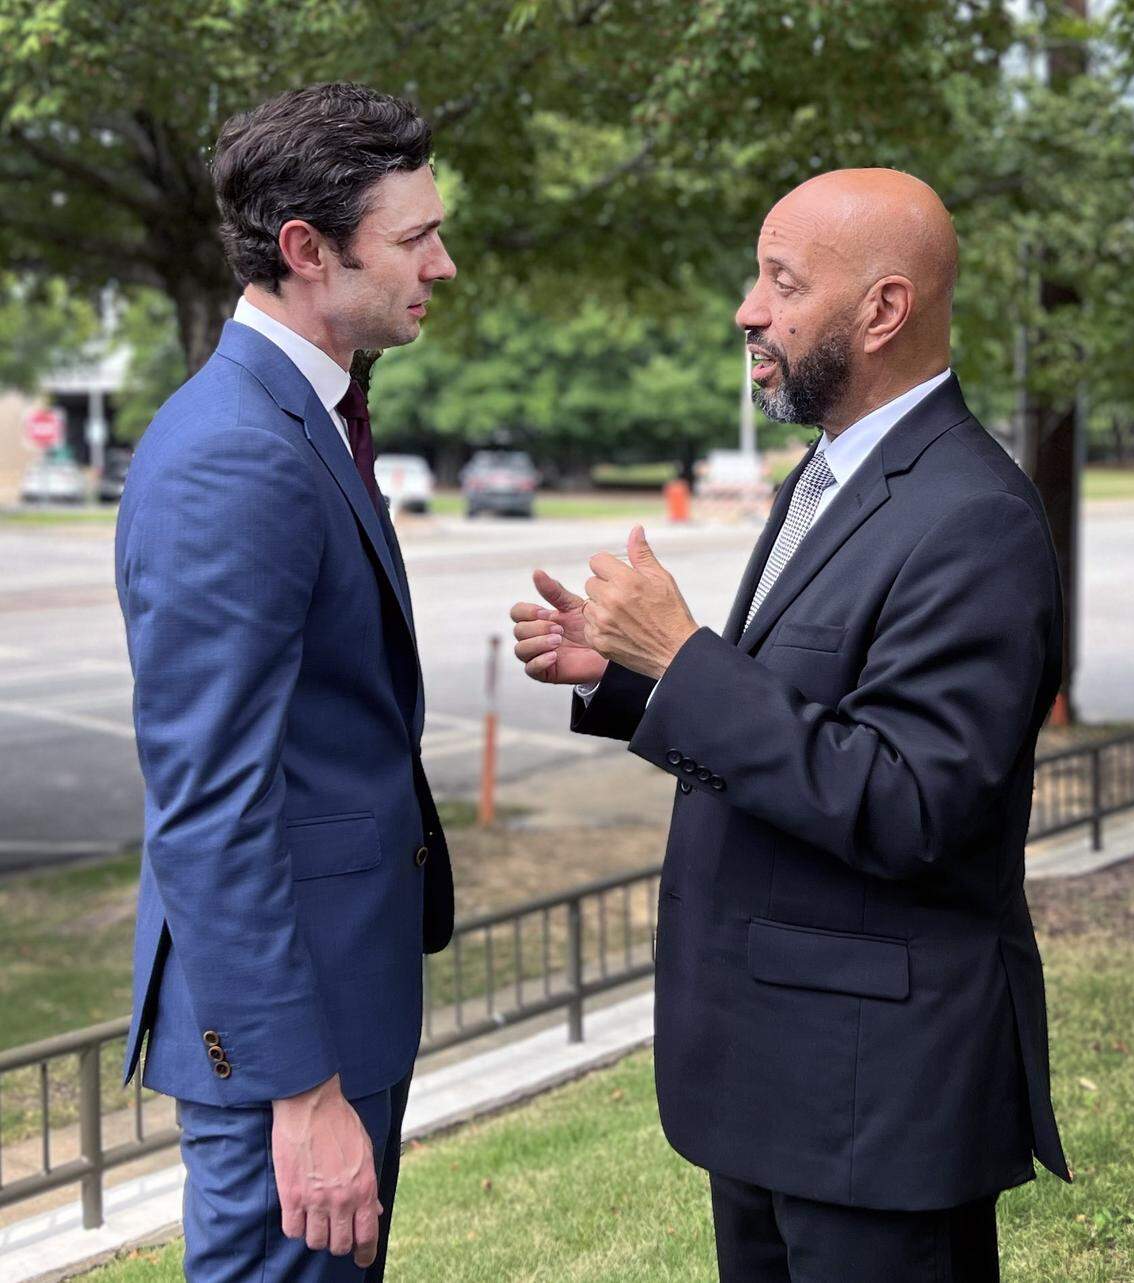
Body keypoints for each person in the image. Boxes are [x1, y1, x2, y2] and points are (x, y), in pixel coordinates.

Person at [510, 168, 1069, 1282]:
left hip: (878, 1102)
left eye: (781, 281)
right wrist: (631, 680)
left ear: (883, 311)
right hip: (781, 1082)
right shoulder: (831, 473)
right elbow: (809, 715)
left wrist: (682, 655)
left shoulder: (977, 518)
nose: (747, 310)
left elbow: (908, 802)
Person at [115, 82, 456, 1281]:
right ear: (308, 251)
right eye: (416, 239)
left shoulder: (304, 418)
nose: (444, 263)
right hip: (288, 1036)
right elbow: (209, 803)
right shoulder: (235, 455)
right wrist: (299, 1086)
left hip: (336, 990)